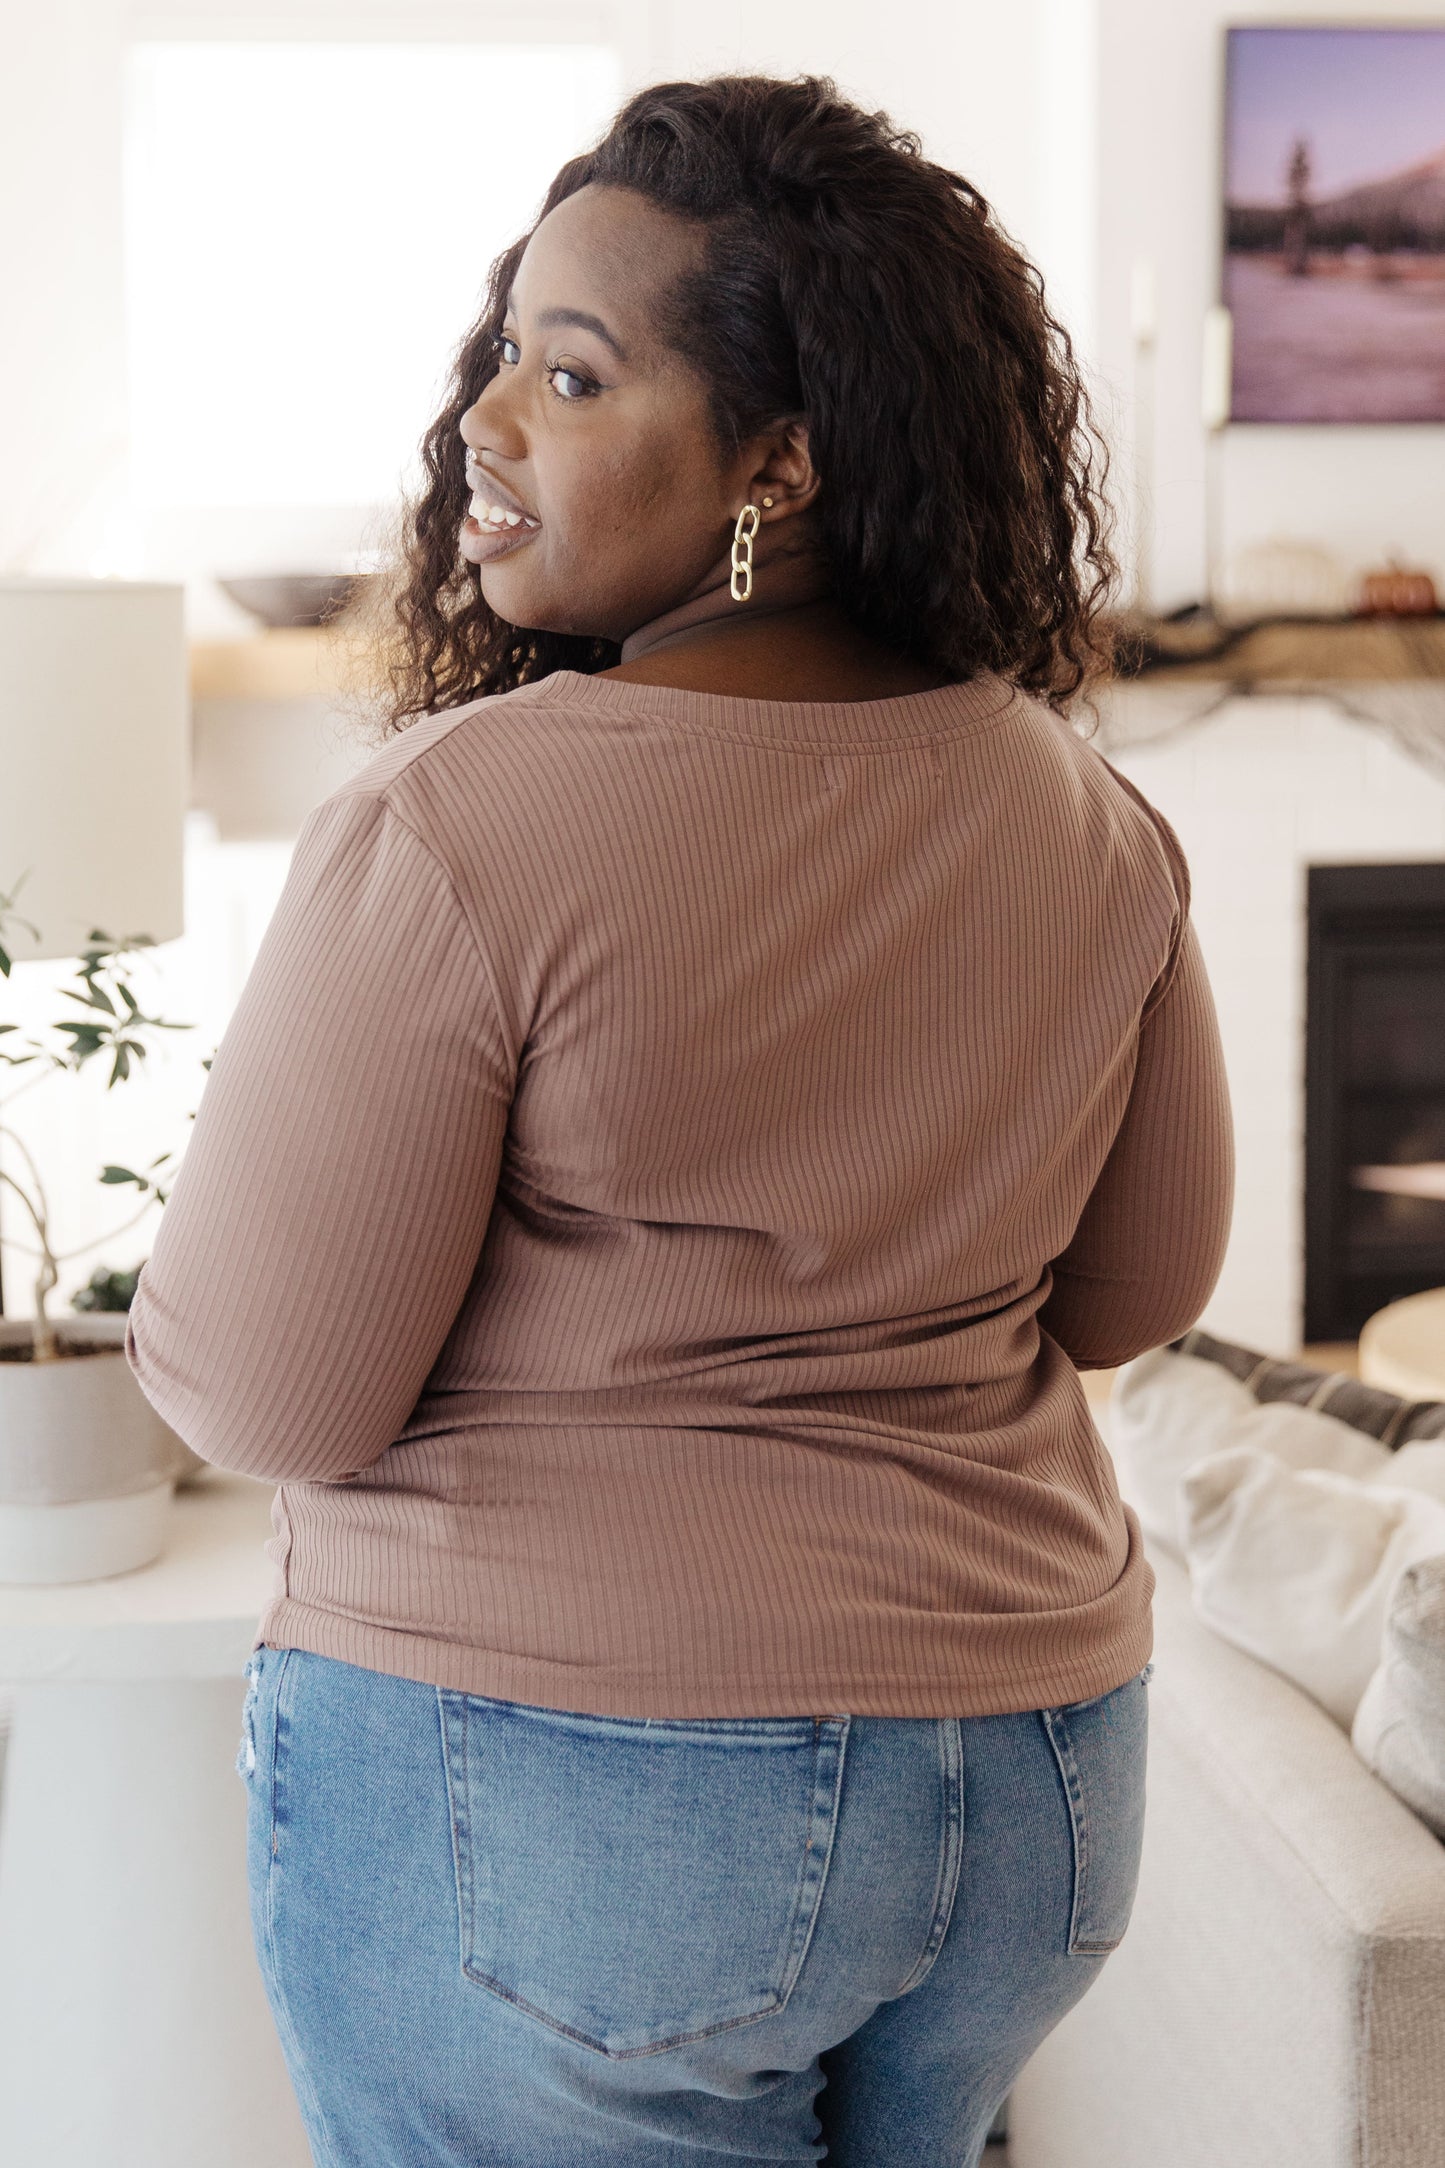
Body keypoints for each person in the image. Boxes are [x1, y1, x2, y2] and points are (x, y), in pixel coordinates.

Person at [127, 72, 1233, 2168]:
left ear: (780, 462)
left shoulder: (462, 826)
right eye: (499, 360)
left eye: (570, 372)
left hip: (576, 1794)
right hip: (1031, 1795)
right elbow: (1133, 1293)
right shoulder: (1088, 816)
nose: (485, 420)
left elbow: (273, 1393)